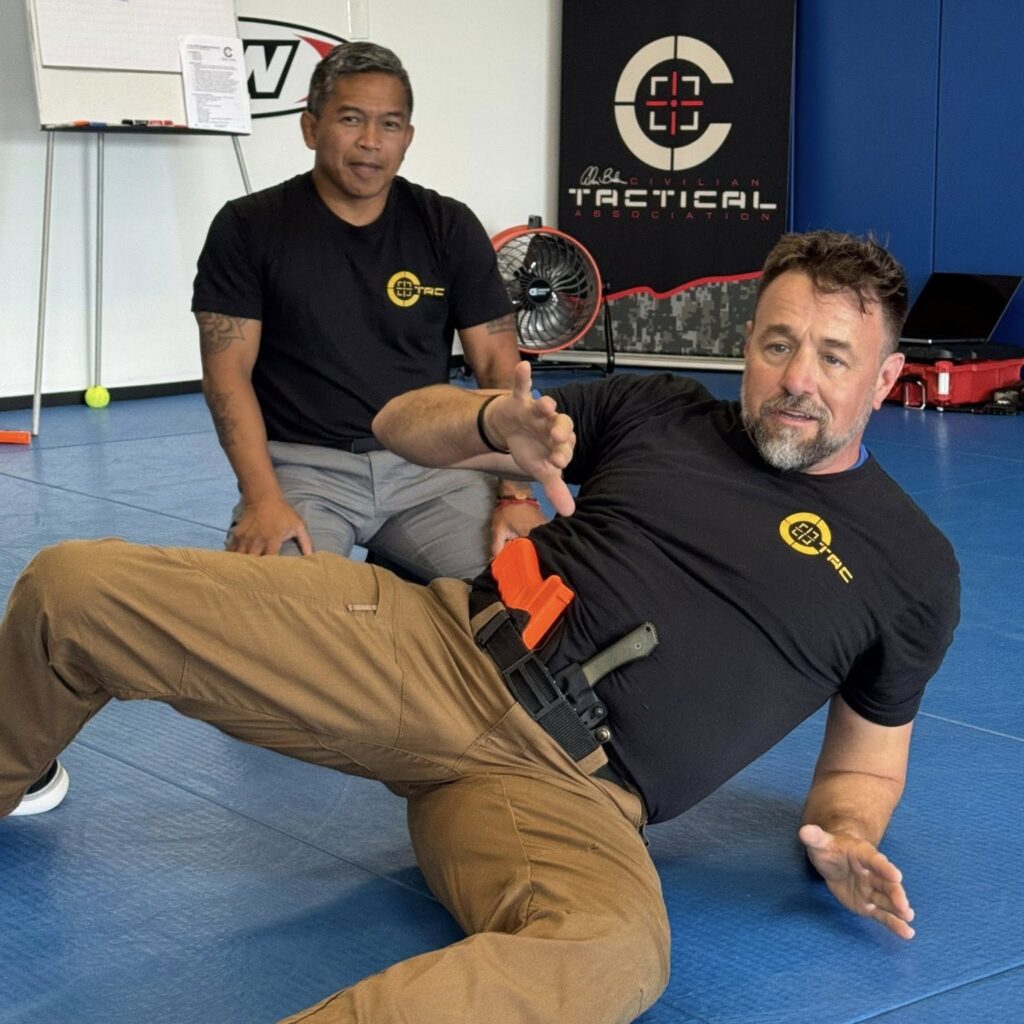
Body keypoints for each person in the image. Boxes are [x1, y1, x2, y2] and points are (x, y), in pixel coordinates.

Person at [1, 231, 960, 1023]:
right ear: (745, 344)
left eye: (835, 358)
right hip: (438, 651)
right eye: (777, 343)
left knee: (615, 956)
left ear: (885, 379)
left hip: (574, 804)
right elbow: (397, 423)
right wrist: (501, 418)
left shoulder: (912, 572)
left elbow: (866, 766)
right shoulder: (656, 409)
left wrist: (843, 834)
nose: (798, 378)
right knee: (74, 590)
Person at [192, 41, 543, 579]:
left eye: (390, 125)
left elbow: (498, 370)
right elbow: (226, 375)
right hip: (303, 469)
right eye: (351, 119)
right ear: (311, 128)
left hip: (434, 463)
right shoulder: (248, 228)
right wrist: (263, 498)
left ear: (408, 138)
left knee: (521, 592)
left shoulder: (447, 225)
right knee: (279, 622)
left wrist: (512, 493)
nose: (370, 143)